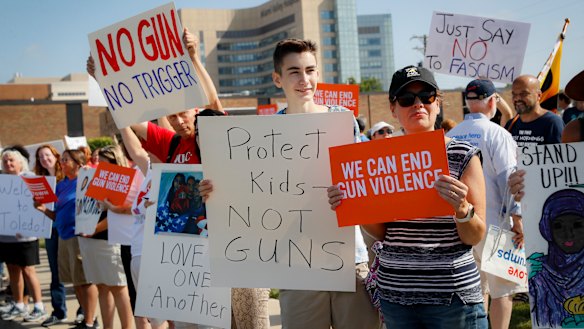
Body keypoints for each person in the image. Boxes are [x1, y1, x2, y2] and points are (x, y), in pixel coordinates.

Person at [203, 38, 380, 329]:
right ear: (277, 78)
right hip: (296, 265)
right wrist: (216, 191)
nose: (305, 79)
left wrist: (351, 193)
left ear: (319, 74)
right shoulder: (263, 134)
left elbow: (366, 183)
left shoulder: (343, 121)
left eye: (310, 70)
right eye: (294, 71)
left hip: (349, 258)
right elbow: (249, 192)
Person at [330, 65, 488, 328]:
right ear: (393, 109)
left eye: (426, 96)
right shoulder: (378, 160)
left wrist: (462, 208)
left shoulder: (463, 155)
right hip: (396, 299)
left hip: (452, 298)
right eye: (406, 99)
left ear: (437, 103)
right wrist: (355, 206)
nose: (418, 105)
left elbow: (475, 235)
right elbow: (382, 233)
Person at [447, 79, 525, 329]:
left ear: (468, 103)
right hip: (496, 224)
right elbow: (508, 178)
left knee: (476, 289)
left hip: (462, 225)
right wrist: (518, 218)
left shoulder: (450, 135)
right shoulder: (498, 134)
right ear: (493, 102)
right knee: (503, 289)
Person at [34, 149, 99, 329]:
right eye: (61, 159)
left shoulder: (86, 181)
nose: (62, 163)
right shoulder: (61, 185)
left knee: (85, 281)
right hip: (63, 236)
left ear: (78, 163)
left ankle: (91, 321)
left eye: (66, 160)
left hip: (79, 236)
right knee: (75, 282)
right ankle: (87, 317)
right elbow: (58, 215)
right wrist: (42, 209)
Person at [81, 145, 134, 329]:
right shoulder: (95, 178)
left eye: (102, 162)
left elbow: (117, 214)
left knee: (118, 288)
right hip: (93, 239)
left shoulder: (123, 181)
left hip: (110, 240)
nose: (98, 165)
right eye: (97, 161)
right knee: (102, 287)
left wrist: (94, 229)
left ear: (114, 162)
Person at [0, 147, 47, 323]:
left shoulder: (31, 179)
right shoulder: (2, 181)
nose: (8, 163)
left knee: (28, 270)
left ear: (21, 162)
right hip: (6, 235)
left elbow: (42, 203)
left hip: (26, 235)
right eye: (5, 161)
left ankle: (39, 306)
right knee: (12, 269)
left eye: (11, 160)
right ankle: (19, 303)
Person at [527, 189, 584, 328]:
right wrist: (525, 273)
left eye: (577, 225)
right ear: (547, 229)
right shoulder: (538, 271)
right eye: (558, 226)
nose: (568, 234)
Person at [33, 145, 72, 326]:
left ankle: (84, 312)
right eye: (40, 157)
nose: (44, 159)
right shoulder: (40, 181)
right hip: (50, 229)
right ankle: (59, 311)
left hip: (67, 228)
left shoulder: (66, 178)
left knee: (75, 271)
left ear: (55, 156)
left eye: (47, 155)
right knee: (55, 273)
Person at [504, 75, 564, 146]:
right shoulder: (511, 124)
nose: (517, 98)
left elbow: (560, 155)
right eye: (514, 94)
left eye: (524, 94)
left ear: (539, 95)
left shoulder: (552, 123)